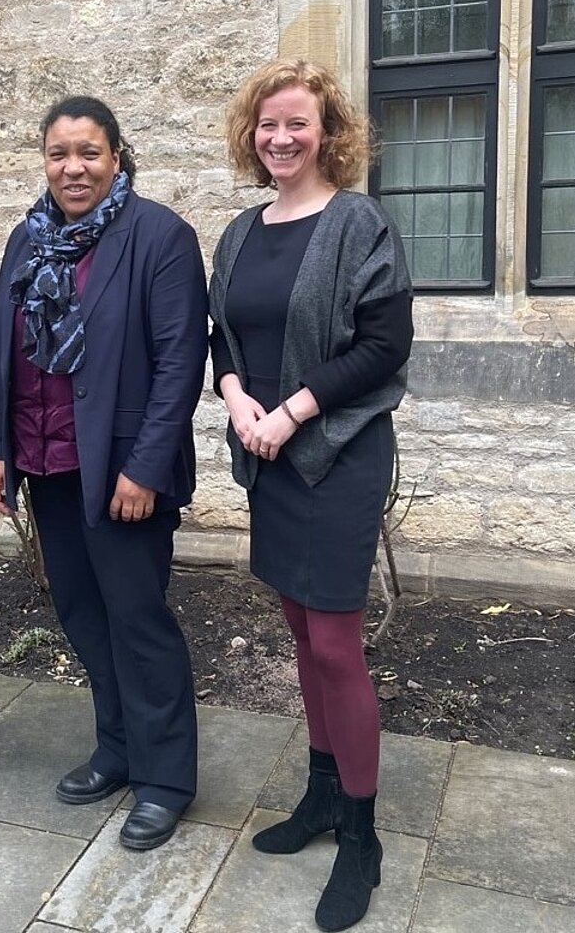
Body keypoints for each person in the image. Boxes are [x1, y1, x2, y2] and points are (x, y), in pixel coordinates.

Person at [209, 60, 414, 930]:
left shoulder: (360, 224)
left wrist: (291, 410)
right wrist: (234, 396)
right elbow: (222, 335)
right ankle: (324, 793)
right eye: (268, 124)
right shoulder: (241, 232)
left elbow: (384, 347)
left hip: (336, 456)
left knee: (334, 645)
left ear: (329, 132)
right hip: (269, 456)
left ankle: (362, 838)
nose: (281, 138)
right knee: (299, 631)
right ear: (251, 134)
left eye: (297, 122)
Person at [0, 96, 208, 850]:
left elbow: (179, 362)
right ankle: (117, 748)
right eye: (59, 154)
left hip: (121, 474)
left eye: (88, 153)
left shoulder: (160, 236)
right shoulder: (26, 238)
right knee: (83, 615)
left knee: (137, 621)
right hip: (48, 464)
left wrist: (144, 469)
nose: (73, 168)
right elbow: (3, 353)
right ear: (44, 162)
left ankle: (165, 779)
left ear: (116, 156)